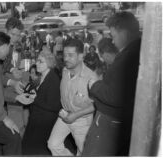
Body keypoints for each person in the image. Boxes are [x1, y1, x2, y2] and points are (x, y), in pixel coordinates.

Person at [82, 11, 141, 156]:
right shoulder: (138, 50)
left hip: (110, 121)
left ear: (124, 33)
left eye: (113, 36)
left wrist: (94, 84)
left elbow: (116, 96)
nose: (113, 41)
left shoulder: (128, 57)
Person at [47, 39, 99, 156]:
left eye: (70, 55)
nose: (66, 59)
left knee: (85, 153)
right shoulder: (65, 70)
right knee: (53, 144)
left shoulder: (91, 78)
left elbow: (96, 104)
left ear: (81, 56)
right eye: (65, 55)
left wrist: (75, 115)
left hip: (81, 120)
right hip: (64, 115)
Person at [22, 47, 62, 156]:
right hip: (37, 120)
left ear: (49, 63)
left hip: (44, 123)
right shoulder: (43, 76)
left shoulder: (53, 79)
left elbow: (55, 106)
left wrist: (35, 99)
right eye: (37, 60)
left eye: (41, 61)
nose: (37, 63)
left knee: (35, 151)